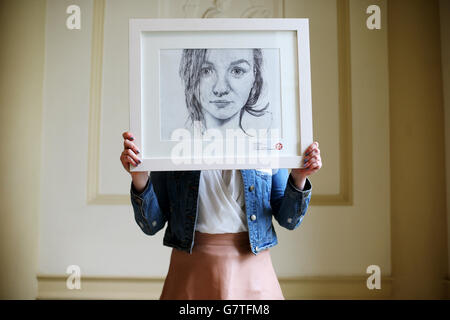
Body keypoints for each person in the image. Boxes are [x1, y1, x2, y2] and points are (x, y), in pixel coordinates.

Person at [120, 131, 322, 300]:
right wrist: (140, 177)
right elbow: (151, 225)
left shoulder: (266, 137)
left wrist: (299, 176)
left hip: (254, 274)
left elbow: (289, 220)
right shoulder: (172, 138)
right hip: (190, 272)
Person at [179, 48, 272, 137]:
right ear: (189, 75)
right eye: (205, 71)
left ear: (255, 75)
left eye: (237, 71)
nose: (221, 89)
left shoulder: (269, 133)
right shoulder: (177, 138)